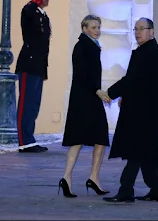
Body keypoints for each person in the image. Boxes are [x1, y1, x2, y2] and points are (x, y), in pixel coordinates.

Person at [103, 18, 158, 203]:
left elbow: (132, 80)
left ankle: (126, 190)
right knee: (146, 153)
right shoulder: (146, 51)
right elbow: (139, 82)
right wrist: (125, 96)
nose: (138, 32)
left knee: (137, 152)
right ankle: (156, 191)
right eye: (135, 29)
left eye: (142, 29)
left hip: (146, 113)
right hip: (145, 110)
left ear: (151, 31)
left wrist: (111, 93)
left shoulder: (149, 53)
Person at [58, 15, 112, 198]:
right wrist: (97, 90)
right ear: (84, 28)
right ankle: (85, 178)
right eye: (93, 27)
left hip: (85, 98)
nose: (97, 30)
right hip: (86, 99)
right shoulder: (83, 46)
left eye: (98, 27)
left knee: (84, 138)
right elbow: (82, 74)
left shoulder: (89, 45)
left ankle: (75, 178)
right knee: (97, 138)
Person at [15, 0, 53, 153]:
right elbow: (29, 10)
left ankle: (30, 139)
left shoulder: (43, 15)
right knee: (25, 104)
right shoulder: (28, 10)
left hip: (38, 66)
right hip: (28, 65)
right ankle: (24, 141)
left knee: (33, 105)